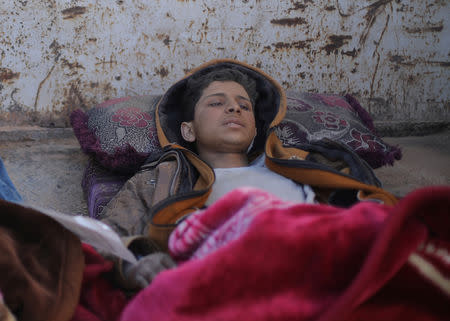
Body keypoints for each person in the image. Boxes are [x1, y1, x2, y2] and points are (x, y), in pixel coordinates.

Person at [100, 59, 397, 290]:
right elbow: (106, 239)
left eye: (245, 106)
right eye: (217, 102)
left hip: (324, 271)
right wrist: (139, 262)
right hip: (217, 287)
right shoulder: (161, 178)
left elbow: (374, 213)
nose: (234, 108)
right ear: (188, 130)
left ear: (256, 130)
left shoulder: (309, 164)